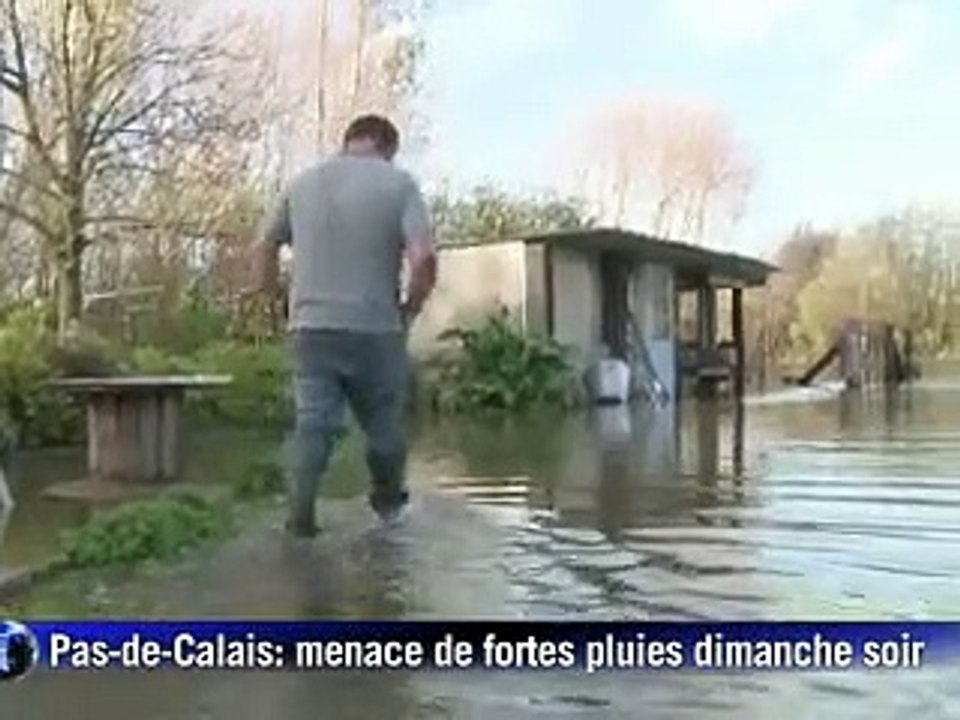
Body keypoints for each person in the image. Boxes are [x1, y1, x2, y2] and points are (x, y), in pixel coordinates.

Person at [255, 115, 437, 538]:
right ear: (388, 146)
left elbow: (264, 247)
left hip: (310, 329)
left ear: (349, 140)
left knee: (313, 423)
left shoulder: (301, 184)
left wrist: (278, 302)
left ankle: (300, 518)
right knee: (383, 426)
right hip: (376, 329)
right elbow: (423, 258)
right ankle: (389, 512)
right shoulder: (399, 184)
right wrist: (411, 307)